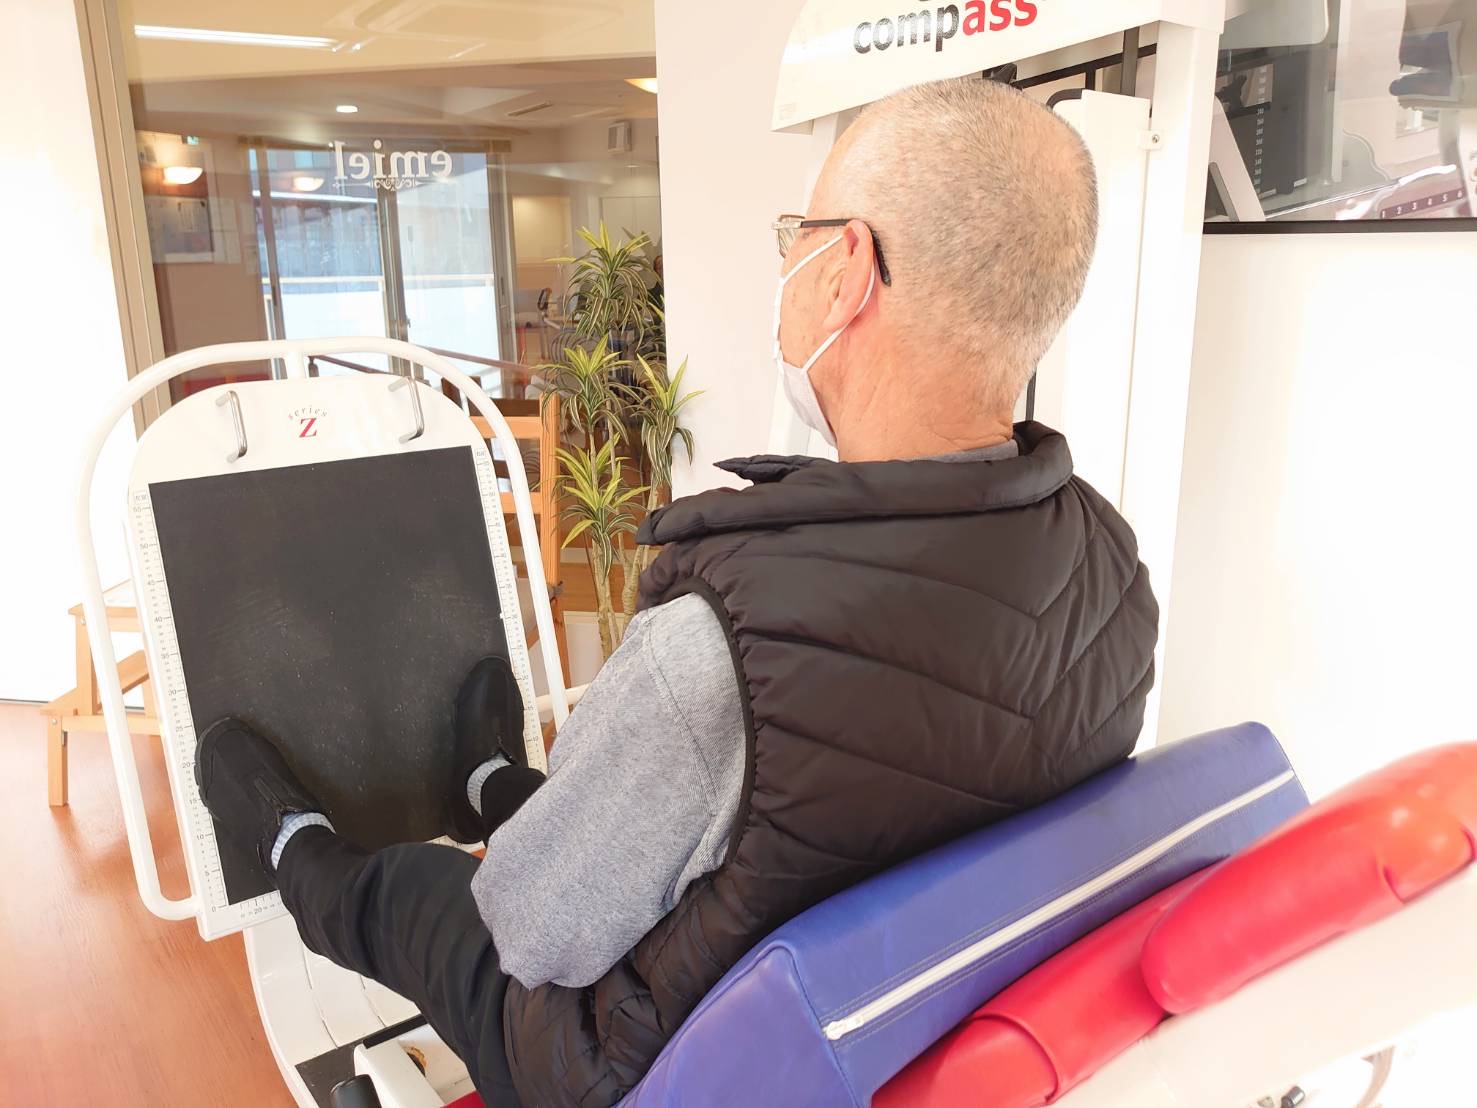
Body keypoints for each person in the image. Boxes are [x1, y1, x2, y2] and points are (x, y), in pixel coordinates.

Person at [194, 77, 1159, 1107]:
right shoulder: (1110, 572)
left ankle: (292, 841)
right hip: (862, 1001)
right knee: (612, 813)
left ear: (845, 272)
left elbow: (529, 931)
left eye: (797, 235)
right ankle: (491, 781)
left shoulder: (721, 651)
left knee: (418, 887)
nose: (786, 263)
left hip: (629, 1061)